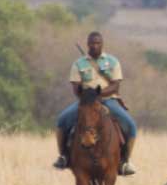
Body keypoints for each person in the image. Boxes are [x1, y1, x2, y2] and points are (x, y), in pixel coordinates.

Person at [53, 31, 138, 176]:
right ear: (87, 45)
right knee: (62, 120)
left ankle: (125, 161)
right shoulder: (78, 64)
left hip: (109, 100)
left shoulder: (112, 62)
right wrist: (88, 96)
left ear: (102, 44)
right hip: (85, 101)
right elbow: (76, 87)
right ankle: (63, 156)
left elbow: (115, 86)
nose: (94, 46)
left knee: (130, 125)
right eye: (92, 43)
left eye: (97, 43)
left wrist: (99, 94)